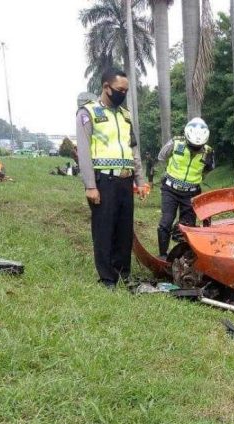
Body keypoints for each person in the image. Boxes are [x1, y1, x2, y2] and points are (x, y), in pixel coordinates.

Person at [76, 68, 150, 289]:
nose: (123, 94)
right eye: (119, 90)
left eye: (126, 90)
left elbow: (133, 150)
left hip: (125, 181)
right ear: (106, 87)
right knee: (104, 229)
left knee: (124, 229)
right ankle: (107, 277)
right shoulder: (88, 113)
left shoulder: (125, 115)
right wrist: (90, 185)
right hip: (104, 181)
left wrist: (140, 179)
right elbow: (84, 151)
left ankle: (123, 272)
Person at [155, 118, 215, 258]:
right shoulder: (175, 143)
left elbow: (209, 168)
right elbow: (161, 156)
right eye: (193, 145)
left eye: (198, 146)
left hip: (191, 194)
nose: (196, 148)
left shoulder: (208, 152)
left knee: (188, 226)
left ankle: (184, 256)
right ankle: (163, 255)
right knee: (166, 222)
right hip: (170, 190)